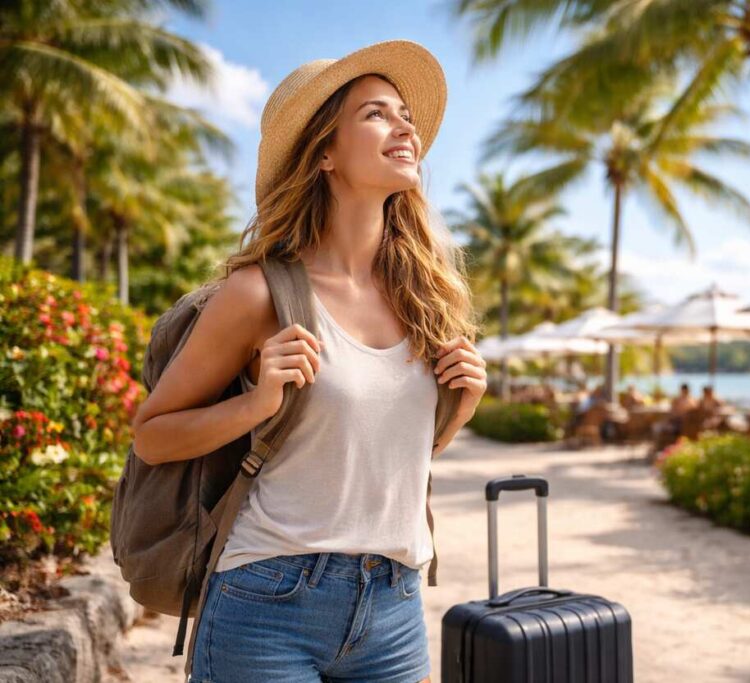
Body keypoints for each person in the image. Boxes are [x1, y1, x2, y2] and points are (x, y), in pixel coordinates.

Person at [132, 41, 487, 683]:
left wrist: (456, 413)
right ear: (324, 152)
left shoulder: (423, 299)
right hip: (267, 603)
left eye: (405, 114)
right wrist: (256, 403)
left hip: (395, 607)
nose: (405, 127)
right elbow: (152, 436)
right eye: (377, 113)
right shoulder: (260, 293)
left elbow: (369, 461)